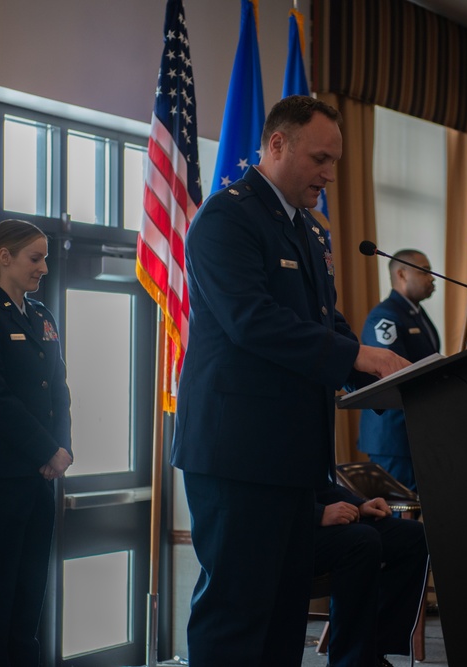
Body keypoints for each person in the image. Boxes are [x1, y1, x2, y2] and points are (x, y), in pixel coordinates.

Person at [170, 95, 410, 667]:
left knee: (281, 618)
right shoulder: (228, 217)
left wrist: (379, 370)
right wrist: (357, 356)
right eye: (320, 159)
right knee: (237, 614)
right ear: (277, 145)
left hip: (291, 457)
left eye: (334, 162)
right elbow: (252, 320)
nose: (329, 174)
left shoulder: (309, 230)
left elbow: (323, 322)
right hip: (237, 456)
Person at [0, 218, 73, 666]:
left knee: (29, 605)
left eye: (45, 257)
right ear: (3, 257)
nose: (44, 267)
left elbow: (59, 389)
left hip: (40, 482)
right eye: (36, 257)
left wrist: (61, 450)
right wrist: (46, 449)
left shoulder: (42, 317)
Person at [315, 482, 428, 667]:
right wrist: (318, 513)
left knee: (413, 537)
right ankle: (349, 662)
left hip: (313, 511)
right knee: (362, 541)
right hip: (283, 527)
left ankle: (373, 653)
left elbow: (317, 481)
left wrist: (358, 504)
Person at [357, 249, 441, 490]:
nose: (432, 278)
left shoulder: (415, 314)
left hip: (416, 430)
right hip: (394, 433)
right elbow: (393, 374)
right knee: (398, 514)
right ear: (402, 275)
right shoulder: (385, 316)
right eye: (425, 271)